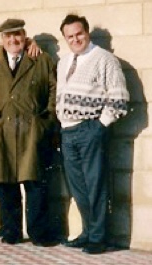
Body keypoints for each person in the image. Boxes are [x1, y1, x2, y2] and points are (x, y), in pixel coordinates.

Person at [0, 18, 58, 246]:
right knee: (6, 183)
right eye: (8, 36)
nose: (13, 40)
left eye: (18, 35)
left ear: (25, 36)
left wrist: (46, 122)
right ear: (2, 39)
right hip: (1, 133)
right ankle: (10, 231)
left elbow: (54, 91)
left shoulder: (41, 60)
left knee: (34, 184)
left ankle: (39, 233)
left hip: (31, 131)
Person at [57, 14, 129, 255]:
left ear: (86, 32)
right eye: (70, 36)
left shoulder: (105, 59)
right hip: (67, 131)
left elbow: (119, 98)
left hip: (90, 129)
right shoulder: (64, 61)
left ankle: (98, 237)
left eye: (79, 34)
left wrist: (100, 126)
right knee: (78, 188)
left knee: (95, 184)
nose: (75, 39)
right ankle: (88, 232)